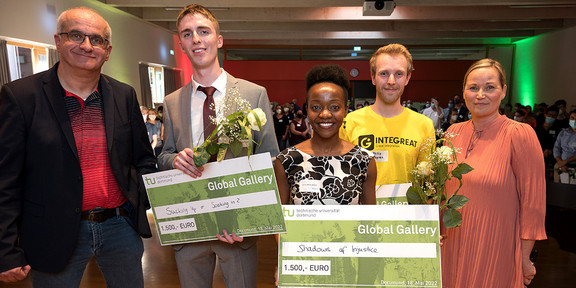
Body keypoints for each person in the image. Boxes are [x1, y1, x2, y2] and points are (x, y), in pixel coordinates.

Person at [0, 7, 157, 286]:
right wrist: (5, 249)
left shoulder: (124, 95)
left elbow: (143, 159)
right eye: (76, 35)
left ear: (107, 51)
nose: (87, 46)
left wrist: (144, 206)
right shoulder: (21, 97)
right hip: (52, 232)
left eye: (96, 40)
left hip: (120, 227)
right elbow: (6, 179)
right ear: (58, 41)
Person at [156, 5, 279, 288]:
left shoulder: (253, 93)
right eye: (187, 34)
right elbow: (163, 155)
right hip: (191, 225)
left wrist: (251, 221)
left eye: (203, 31)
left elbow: (269, 159)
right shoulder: (173, 101)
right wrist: (175, 160)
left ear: (218, 40)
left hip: (237, 228)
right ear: (181, 44)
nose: (196, 39)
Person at [441, 59, 546, 288]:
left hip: (495, 248)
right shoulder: (452, 133)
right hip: (451, 245)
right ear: (463, 92)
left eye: (490, 87)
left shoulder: (520, 134)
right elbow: (442, 192)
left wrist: (524, 257)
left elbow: (533, 205)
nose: (480, 95)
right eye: (473, 88)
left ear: (503, 91)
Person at [275, 64, 377, 205]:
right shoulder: (286, 160)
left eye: (334, 107)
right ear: (307, 110)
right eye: (316, 107)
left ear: (346, 110)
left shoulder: (364, 160)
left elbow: (370, 222)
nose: (325, 114)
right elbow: (280, 221)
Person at [339, 43, 435, 185]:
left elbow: (428, 183)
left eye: (399, 74)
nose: (391, 81)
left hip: (407, 207)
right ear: (373, 78)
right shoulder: (350, 122)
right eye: (384, 73)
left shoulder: (424, 125)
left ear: (407, 79)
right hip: (361, 207)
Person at [553, 109, 576, 182]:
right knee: (560, 189)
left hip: (573, 166)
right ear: (569, 119)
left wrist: (566, 161)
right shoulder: (563, 133)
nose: (574, 120)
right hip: (561, 165)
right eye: (572, 118)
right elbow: (556, 148)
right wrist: (560, 163)